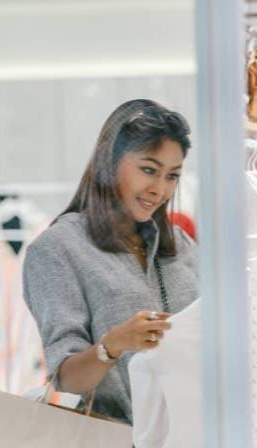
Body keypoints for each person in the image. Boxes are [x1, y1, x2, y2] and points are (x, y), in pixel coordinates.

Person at [23, 99, 198, 424]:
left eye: (172, 176)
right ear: (109, 162)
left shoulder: (181, 245)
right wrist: (113, 345)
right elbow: (67, 378)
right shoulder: (58, 249)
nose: (159, 189)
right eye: (148, 170)